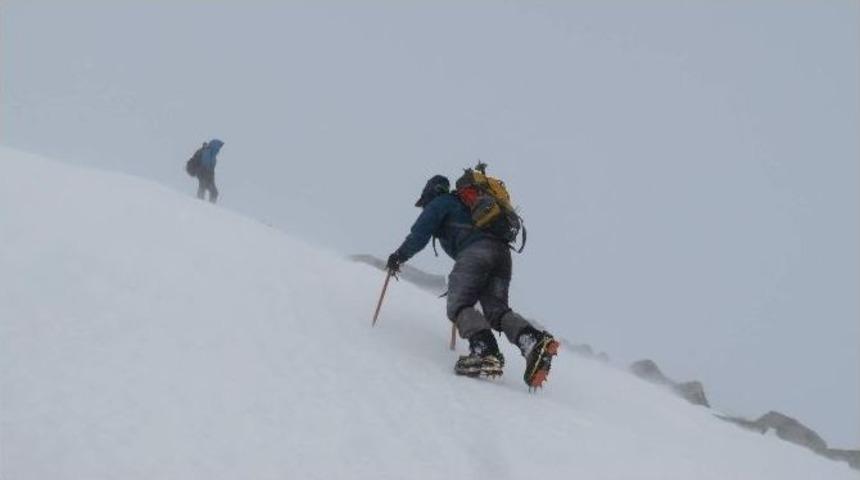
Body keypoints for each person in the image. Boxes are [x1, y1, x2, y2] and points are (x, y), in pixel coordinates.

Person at [387, 174, 559, 388]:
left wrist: (398, 256)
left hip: (476, 252)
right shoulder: (468, 207)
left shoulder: (440, 202)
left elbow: (419, 234)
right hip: (502, 254)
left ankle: (485, 350)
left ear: (429, 194)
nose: (424, 208)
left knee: (458, 304)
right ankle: (532, 340)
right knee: (496, 310)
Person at [196, 139, 223, 203]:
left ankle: (207, 205)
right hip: (203, 175)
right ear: (214, 146)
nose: (219, 150)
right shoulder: (207, 152)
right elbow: (205, 165)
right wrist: (208, 176)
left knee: (213, 192)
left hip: (208, 176)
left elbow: (211, 169)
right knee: (205, 189)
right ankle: (200, 204)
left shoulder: (213, 156)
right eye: (218, 147)